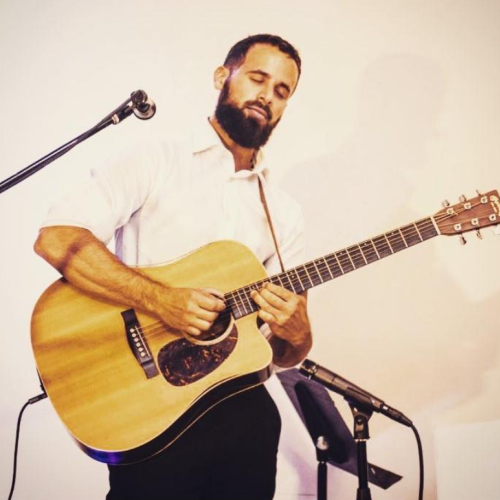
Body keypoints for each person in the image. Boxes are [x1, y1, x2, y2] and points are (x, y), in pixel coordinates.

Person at [35, 34, 313, 500]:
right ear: (222, 77)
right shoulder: (157, 161)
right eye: (258, 79)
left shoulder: (283, 213)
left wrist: (299, 332)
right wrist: (161, 300)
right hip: (148, 404)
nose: (267, 96)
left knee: (263, 418)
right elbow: (57, 237)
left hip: (236, 411)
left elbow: (283, 353)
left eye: (282, 91)